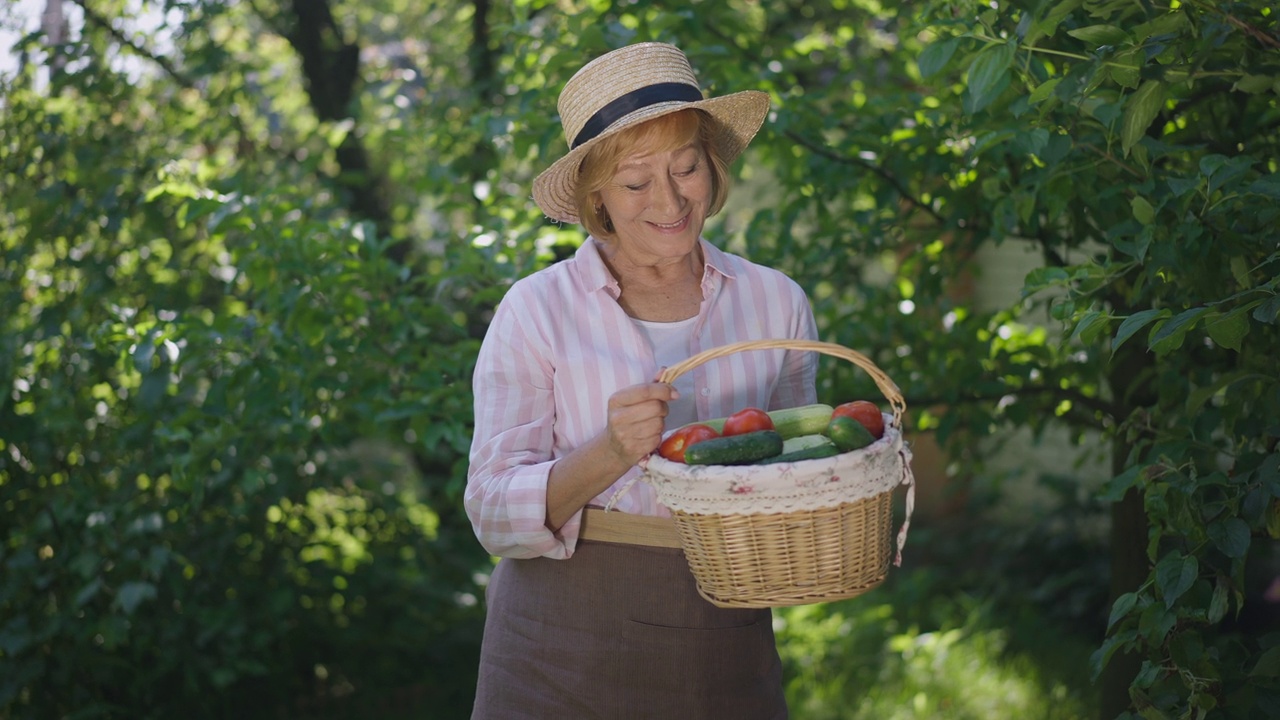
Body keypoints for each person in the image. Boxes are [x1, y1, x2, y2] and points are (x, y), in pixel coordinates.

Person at [465, 41, 819, 719]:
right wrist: (609, 452)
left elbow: (793, 474)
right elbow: (490, 514)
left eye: (686, 168)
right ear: (595, 195)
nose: (669, 200)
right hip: (556, 642)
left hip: (722, 634)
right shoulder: (536, 311)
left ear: (712, 166)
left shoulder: (776, 303)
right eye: (635, 182)